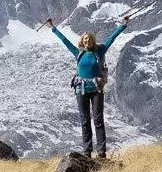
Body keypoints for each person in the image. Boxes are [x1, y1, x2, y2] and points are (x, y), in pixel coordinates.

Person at [47, 16, 129, 158]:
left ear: (93, 40)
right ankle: (87, 151)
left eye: (89, 39)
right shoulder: (78, 53)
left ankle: (101, 152)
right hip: (81, 89)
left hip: (96, 89)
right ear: (82, 41)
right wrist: (53, 28)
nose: (87, 41)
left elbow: (111, 38)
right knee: (85, 120)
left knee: (98, 120)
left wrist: (123, 24)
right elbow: (65, 41)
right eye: (85, 39)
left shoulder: (100, 51)